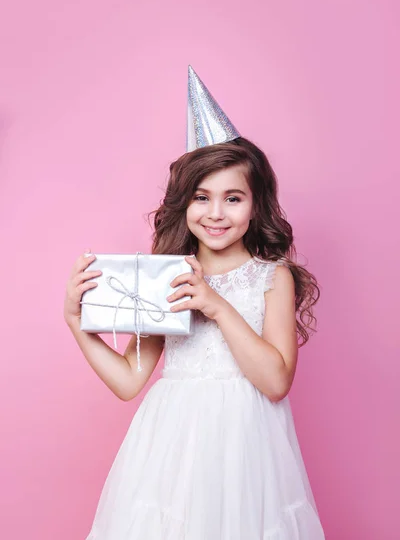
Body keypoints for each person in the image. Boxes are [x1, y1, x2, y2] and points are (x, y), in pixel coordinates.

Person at [64, 67, 326, 538]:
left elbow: (275, 381)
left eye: (233, 198)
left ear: (256, 203)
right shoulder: (166, 277)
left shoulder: (272, 278)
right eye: (202, 197)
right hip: (172, 450)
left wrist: (217, 306)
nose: (216, 213)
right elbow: (129, 382)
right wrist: (78, 324)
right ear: (184, 203)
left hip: (247, 452)